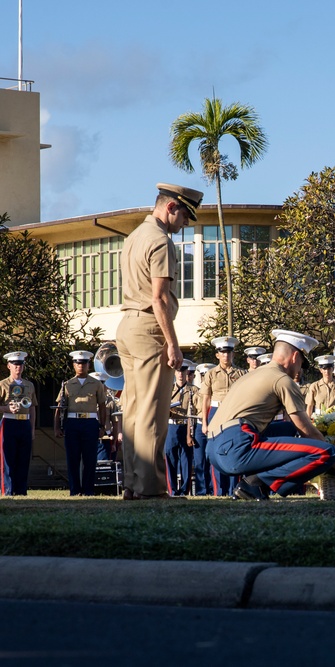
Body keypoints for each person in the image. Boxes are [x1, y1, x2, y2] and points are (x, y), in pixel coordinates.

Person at [116, 182, 203, 500]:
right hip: (150, 330)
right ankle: (151, 488)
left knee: (133, 413)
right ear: (171, 207)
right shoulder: (160, 241)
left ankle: (132, 484)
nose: (185, 225)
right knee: (153, 414)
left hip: (127, 325)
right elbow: (160, 298)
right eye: (184, 217)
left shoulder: (135, 236)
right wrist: (173, 344)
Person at [205, 329, 335, 500]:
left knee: (287, 428)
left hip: (213, 450)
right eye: (301, 363)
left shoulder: (251, 375)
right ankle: (255, 484)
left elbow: (293, 427)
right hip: (236, 448)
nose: (300, 370)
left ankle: (254, 484)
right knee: (326, 452)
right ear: (294, 357)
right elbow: (304, 428)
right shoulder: (282, 379)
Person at [54, 350, 108, 496]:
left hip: (90, 422)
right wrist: (57, 426)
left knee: (90, 458)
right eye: (78, 363)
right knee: (73, 458)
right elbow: (60, 406)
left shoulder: (96, 384)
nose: (81, 366)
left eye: (84, 363)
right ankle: (74, 490)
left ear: (88, 365)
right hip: (72, 422)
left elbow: (102, 406)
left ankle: (88, 490)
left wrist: (102, 426)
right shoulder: (67, 384)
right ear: (73, 365)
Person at [201, 336, 247, 497]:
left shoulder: (242, 373)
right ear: (217, 355)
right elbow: (205, 399)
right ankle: (219, 491)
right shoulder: (211, 374)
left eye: (229, 352)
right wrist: (204, 422)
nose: (226, 355)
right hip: (216, 412)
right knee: (216, 451)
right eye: (222, 352)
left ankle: (235, 489)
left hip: (235, 413)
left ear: (233, 354)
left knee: (235, 450)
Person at [0, 351, 36, 496]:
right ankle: (7, 490)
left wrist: (32, 428)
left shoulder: (29, 385)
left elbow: (33, 407)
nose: (18, 368)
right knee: (8, 459)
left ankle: (21, 490)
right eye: (15, 364)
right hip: (8, 422)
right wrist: (6, 408)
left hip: (24, 423)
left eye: (20, 364)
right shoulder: (2, 384)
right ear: (9, 366)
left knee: (23, 458)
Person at [163, 360, 197, 496]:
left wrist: (190, 432)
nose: (180, 374)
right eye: (178, 371)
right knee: (170, 459)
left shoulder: (194, 390)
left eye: (183, 371)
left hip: (186, 426)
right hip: (171, 426)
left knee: (186, 461)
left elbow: (195, 411)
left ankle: (184, 490)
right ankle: (172, 490)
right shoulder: (168, 389)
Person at [190, 363, 216, 495]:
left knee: (212, 459)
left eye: (207, 375)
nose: (205, 377)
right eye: (202, 375)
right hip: (200, 425)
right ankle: (201, 490)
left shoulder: (215, 393)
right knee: (200, 460)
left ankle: (212, 489)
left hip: (213, 425)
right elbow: (191, 413)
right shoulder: (196, 393)